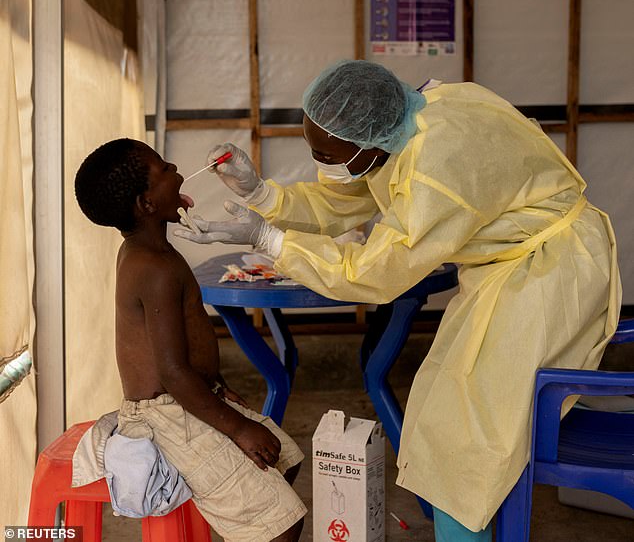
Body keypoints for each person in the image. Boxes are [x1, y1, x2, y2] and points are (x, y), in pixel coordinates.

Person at [175, 60, 622, 541]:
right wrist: (263, 195)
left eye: (325, 152)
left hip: (549, 274)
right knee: (442, 418)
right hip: (513, 268)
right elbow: (348, 197)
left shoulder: (438, 168)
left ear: (367, 143)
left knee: (472, 439)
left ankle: (469, 529)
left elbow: (374, 273)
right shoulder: (415, 118)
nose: (319, 159)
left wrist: (271, 240)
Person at [74, 138, 306, 542]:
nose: (176, 166)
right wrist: (236, 429)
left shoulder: (149, 251)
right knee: (282, 527)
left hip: (187, 396)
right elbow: (172, 371)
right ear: (147, 204)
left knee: (283, 460)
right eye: (164, 168)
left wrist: (217, 388)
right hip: (168, 415)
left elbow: (177, 358)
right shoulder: (154, 268)